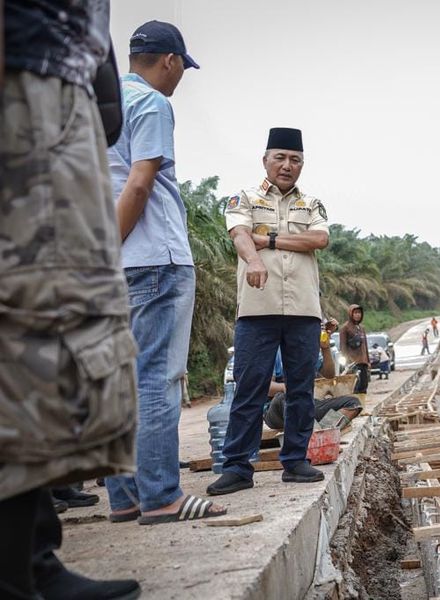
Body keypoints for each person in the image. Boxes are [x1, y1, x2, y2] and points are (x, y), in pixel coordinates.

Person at [2, 2, 142, 597]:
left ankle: (31, 555)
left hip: (64, 84)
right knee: (30, 316)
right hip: (26, 75)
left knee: (49, 325)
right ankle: (14, 570)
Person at [102, 20, 224, 525]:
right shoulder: (152, 104)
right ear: (169, 60)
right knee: (156, 377)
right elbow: (139, 182)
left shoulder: (101, 110)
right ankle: (162, 496)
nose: (178, 79)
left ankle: (125, 496)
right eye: (180, 69)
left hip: (117, 264)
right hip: (154, 256)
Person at [207, 127, 330, 496]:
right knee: (249, 387)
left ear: (302, 164)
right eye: (280, 157)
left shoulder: (311, 205)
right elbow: (240, 234)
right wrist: (253, 255)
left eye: (295, 160)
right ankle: (237, 467)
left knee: (301, 388)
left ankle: (295, 461)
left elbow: (319, 239)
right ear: (265, 160)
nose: (287, 165)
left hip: (303, 309)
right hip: (256, 308)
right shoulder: (243, 199)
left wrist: (271, 239)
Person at [340, 304, 370, 394]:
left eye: (359, 313)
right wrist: (347, 362)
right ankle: (356, 407)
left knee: (364, 386)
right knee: (355, 387)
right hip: (353, 363)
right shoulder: (345, 328)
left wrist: (368, 361)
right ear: (351, 314)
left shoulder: (361, 328)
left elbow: (365, 346)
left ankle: (363, 406)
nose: (358, 315)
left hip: (363, 363)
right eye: (355, 313)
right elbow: (343, 347)